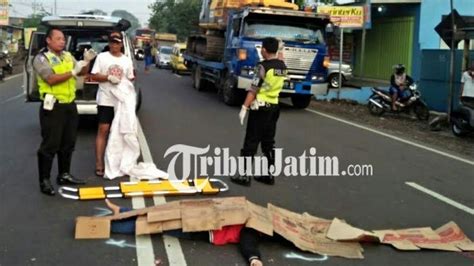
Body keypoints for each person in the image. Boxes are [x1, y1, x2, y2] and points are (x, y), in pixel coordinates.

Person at [105, 199, 268, 266]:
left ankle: (111, 225)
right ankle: (123, 211)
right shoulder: (254, 219)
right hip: (204, 221)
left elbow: (248, 243)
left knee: (157, 223)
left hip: (201, 229)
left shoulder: (253, 229)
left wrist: (254, 259)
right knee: (161, 216)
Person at [34, 27, 95, 195]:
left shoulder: (67, 56)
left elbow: (82, 73)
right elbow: (50, 79)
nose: (62, 41)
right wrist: (73, 72)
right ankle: (44, 180)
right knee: (50, 145)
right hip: (53, 106)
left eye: (63, 39)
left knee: (68, 143)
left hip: (69, 104)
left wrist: (86, 61)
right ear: (48, 40)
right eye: (58, 38)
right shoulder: (42, 58)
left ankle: (64, 174)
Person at [232, 37, 287, 186]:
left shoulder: (262, 67)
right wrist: (279, 48)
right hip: (274, 107)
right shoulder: (282, 66)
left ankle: (244, 176)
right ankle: (269, 175)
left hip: (260, 108)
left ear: (263, 50)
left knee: (251, 141)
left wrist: (244, 107)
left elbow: (253, 89)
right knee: (268, 142)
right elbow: (280, 57)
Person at [91, 31, 135, 177]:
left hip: (121, 102)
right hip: (106, 98)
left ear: (121, 44)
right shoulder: (102, 58)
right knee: (103, 129)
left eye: (117, 42)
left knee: (120, 131)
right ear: (108, 43)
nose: (114, 45)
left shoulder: (126, 60)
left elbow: (130, 78)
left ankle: (118, 161)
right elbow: (94, 75)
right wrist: (108, 77)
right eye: (111, 42)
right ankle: (98, 163)